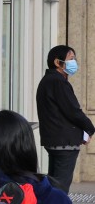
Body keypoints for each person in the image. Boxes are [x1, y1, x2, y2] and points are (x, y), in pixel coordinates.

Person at [36, 44, 94, 192]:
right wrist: (89, 127)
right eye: (71, 59)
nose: (74, 62)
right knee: (60, 188)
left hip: (55, 141)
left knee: (54, 185)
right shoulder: (58, 82)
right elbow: (73, 110)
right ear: (57, 62)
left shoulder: (47, 81)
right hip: (64, 142)